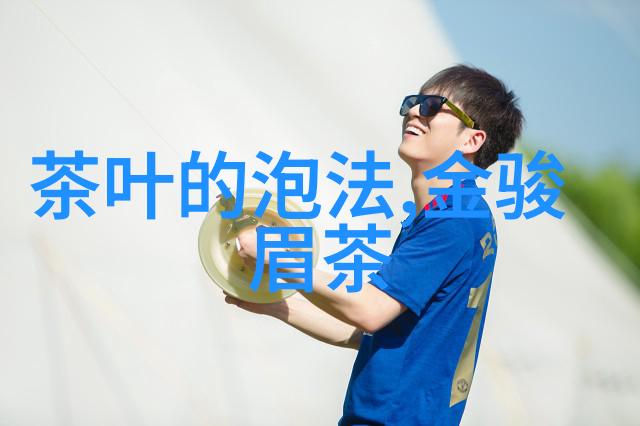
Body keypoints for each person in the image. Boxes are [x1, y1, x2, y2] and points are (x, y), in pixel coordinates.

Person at [224, 64, 524, 425]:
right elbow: (371, 332)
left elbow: (369, 310)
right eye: (413, 102)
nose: (415, 112)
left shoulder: (453, 218)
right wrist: (276, 304)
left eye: (433, 106)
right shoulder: (453, 213)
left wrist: (278, 257)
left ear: (471, 140)